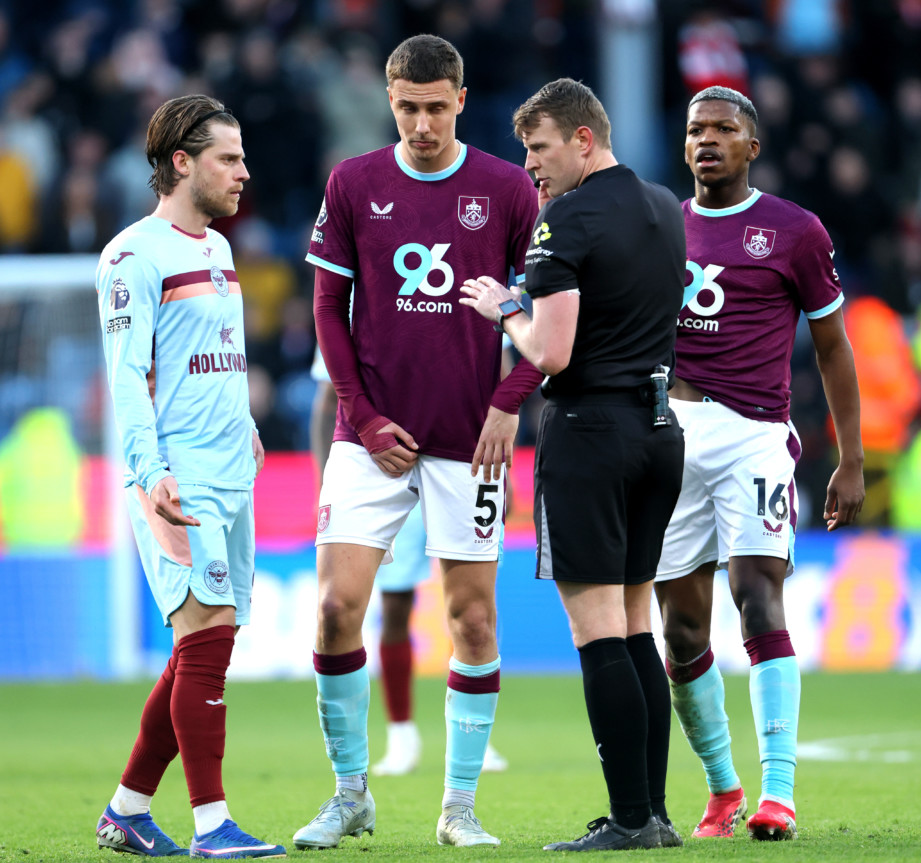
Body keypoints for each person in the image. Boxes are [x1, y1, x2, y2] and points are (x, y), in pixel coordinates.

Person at [293, 34, 541, 850]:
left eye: (437, 107)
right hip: (369, 436)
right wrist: (360, 416)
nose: (423, 124)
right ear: (390, 100)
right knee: (335, 608)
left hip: (468, 441)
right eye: (408, 108)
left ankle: (459, 807)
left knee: (471, 621)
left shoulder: (507, 190)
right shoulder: (355, 182)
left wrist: (509, 400)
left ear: (462, 100)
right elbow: (328, 310)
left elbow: (548, 315)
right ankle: (350, 792)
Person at [461, 77, 686, 852]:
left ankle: (627, 820)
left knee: (597, 634)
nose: (530, 165)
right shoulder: (664, 205)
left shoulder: (568, 218)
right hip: (660, 431)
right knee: (634, 626)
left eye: (540, 147)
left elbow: (550, 350)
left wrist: (506, 308)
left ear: (583, 139)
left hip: (592, 433)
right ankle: (653, 814)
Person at [652, 86, 864, 843]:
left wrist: (851, 457)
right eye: (695, 130)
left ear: (753, 145)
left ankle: (779, 792)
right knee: (678, 627)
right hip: (671, 433)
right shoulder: (660, 225)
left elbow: (833, 345)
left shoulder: (794, 231)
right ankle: (722, 787)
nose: (707, 140)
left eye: (724, 129)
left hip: (754, 435)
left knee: (755, 594)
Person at [93, 94, 286, 859]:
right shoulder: (132, 256)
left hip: (229, 468)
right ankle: (214, 825)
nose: (244, 172)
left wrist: (244, 423)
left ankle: (128, 809)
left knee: (204, 643)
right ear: (182, 162)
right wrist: (152, 471)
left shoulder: (218, 250)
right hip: (176, 479)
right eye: (228, 159)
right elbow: (127, 375)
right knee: (205, 639)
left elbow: (211, 360)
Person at [307, 347, 509, 776]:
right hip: (387, 462)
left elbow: (504, 378)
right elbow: (328, 397)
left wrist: (503, 465)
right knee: (393, 604)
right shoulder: (358, 302)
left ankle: (477, 738)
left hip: (463, 456)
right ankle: (401, 734)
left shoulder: (482, 293)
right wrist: (321, 479)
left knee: (475, 607)